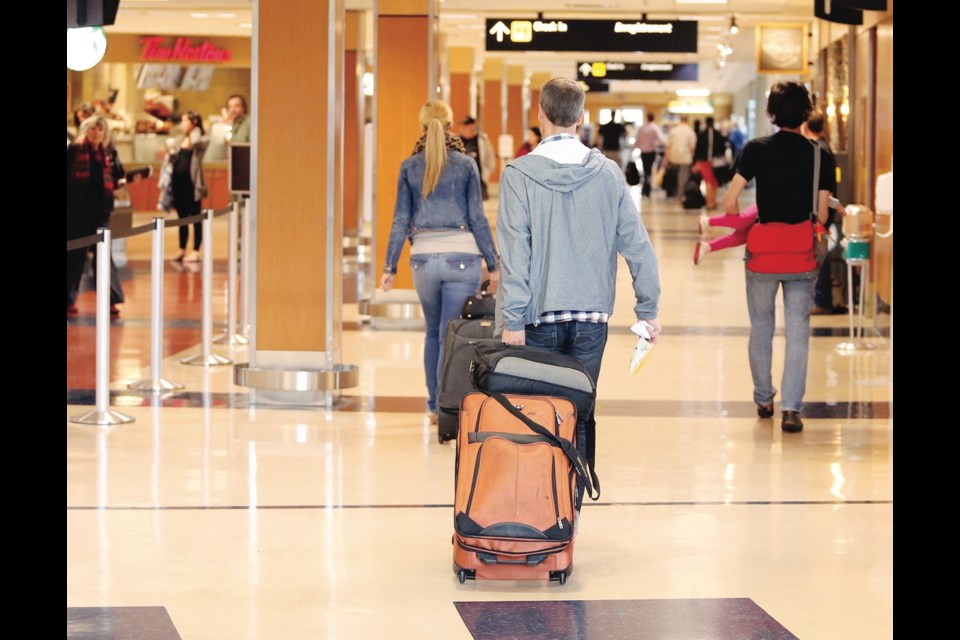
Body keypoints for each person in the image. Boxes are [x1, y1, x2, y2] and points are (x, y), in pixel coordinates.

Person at [496, 77, 662, 501]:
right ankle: (567, 516)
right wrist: (648, 308)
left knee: (536, 414)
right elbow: (637, 243)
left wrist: (512, 317)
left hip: (536, 320)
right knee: (580, 412)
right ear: (582, 116)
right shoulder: (607, 174)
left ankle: (536, 509)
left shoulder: (518, 175)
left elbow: (516, 251)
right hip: (591, 319)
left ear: (540, 114)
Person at [721, 80, 836, 434]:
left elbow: (729, 201)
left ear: (771, 112)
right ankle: (792, 409)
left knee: (762, 327)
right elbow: (822, 214)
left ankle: (763, 398)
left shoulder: (756, 149)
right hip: (800, 254)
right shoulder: (820, 155)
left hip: (763, 254)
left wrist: (747, 217)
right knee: (798, 330)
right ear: (806, 113)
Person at [380, 100, 500, 424]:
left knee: (433, 333)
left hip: (422, 261)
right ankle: (452, 406)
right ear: (450, 127)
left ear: (422, 127)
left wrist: (389, 266)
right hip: (462, 258)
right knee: (454, 333)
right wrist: (494, 262)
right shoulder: (465, 165)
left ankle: (434, 405)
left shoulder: (408, 166)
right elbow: (476, 216)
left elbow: (400, 219)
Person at [67, 115, 127, 317]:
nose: (97, 133)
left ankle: (109, 300)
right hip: (77, 211)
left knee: (103, 257)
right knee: (75, 257)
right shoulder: (74, 151)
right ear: (85, 130)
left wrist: (124, 181)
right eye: (93, 129)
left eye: (100, 129)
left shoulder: (108, 154)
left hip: (101, 212)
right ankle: (68, 300)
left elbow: (117, 175)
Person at [804, 112, 847, 315]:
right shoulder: (823, 149)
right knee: (819, 256)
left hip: (820, 215)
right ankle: (821, 300)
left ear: (805, 127)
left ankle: (822, 302)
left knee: (819, 258)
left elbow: (821, 189)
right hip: (824, 213)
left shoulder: (817, 151)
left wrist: (820, 217)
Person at [159, 111, 209, 262]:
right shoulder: (181, 139)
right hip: (178, 186)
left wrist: (195, 128)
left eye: (185, 121)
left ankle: (195, 250)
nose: (182, 124)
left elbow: (199, 141)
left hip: (192, 186)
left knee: (195, 218)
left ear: (193, 122)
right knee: (182, 219)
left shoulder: (198, 139)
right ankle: (182, 249)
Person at [693, 116, 729, 210]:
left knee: (708, 181)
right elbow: (723, 148)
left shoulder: (701, 135)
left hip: (704, 162)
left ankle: (709, 202)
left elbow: (697, 150)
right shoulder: (718, 135)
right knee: (714, 182)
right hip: (716, 162)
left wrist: (695, 162)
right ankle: (714, 200)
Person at [458, 116, 496, 200]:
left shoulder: (483, 140)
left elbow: (490, 160)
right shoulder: (456, 140)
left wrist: (486, 174)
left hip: (479, 181)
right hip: (460, 181)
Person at [632, 112, 667, 199]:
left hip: (643, 152)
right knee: (649, 171)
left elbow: (637, 140)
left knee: (645, 171)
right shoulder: (655, 128)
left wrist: (632, 150)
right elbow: (661, 139)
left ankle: (645, 189)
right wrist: (668, 145)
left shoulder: (642, 128)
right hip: (651, 152)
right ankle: (647, 189)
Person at [664, 115, 697, 201]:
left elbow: (668, 147)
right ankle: (680, 196)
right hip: (685, 159)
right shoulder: (690, 132)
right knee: (683, 179)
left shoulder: (673, 131)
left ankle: (673, 194)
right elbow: (692, 148)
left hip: (673, 158)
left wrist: (666, 160)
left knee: (673, 178)